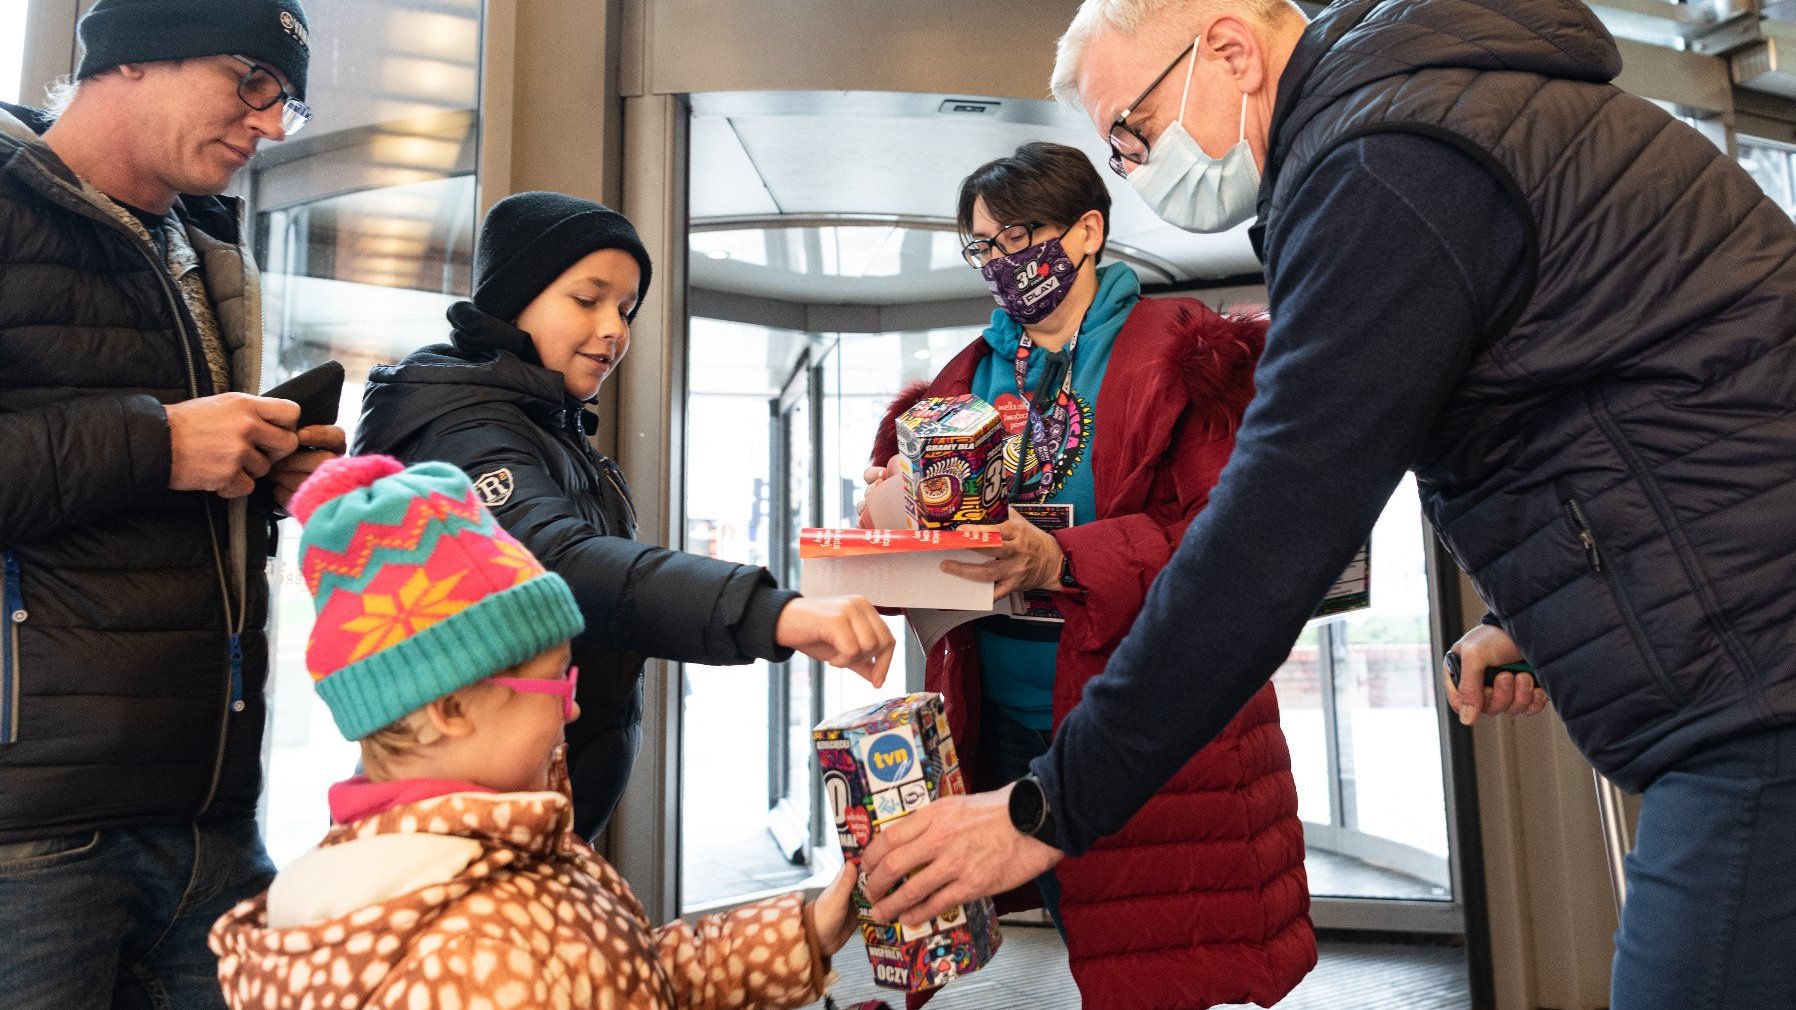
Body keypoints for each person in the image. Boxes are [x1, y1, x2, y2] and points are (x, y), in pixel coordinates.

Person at [859, 0, 1796, 1005]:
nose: (1132, 168)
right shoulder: (1424, 122)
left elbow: (1269, 529)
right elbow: (1602, 402)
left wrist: (1044, 806)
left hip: (1753, 685)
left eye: (1130, 132)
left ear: (1224, 48)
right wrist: (1520, 618)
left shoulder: (1380, 166)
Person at [858, 142, 1312, 1008]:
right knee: (1085, 935)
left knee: (1152, 963)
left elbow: (1233, 544)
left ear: (1087, 232)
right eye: (981, 247)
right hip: (1003, 721)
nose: (999, 264)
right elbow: (929, 533)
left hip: (1145, 718)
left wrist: (1061, 555)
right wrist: (892, 516)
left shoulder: (1183, 355)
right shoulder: (966, 378)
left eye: (1017, 236)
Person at [209, 454, 857, 1010]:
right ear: (451, 709)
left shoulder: (465, 858)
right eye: (556, 685)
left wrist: (806, 934)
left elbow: (622, 979)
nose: (571, 711)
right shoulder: (477, 950)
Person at [354, 192, 895, 837]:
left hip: (541, 811)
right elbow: (556, 564)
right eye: (588, 299)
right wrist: (774, 613)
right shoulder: (465, 430)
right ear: (511, 302)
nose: (615, 327)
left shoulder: (544, 424)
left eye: (626, 308)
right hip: (478, 821)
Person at [0, 1, 345, 1006]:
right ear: (136, 55)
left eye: (287, 102)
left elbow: (172, 493)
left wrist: (267, 471)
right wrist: (158, 442)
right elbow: (155, 451)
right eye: (252, 83)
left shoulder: (204, 246)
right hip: (35, 836)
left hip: (214, 815)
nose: (272, 124)